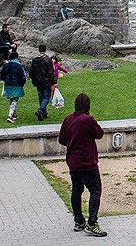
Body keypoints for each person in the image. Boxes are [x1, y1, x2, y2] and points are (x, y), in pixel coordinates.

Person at [59, 93, 107, 237]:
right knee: (95, 190)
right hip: (87, 162)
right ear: (88, 106)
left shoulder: (68, 119)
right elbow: (99, 134)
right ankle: (92, 222)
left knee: (76, 190)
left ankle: (78, 220)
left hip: (73, 162)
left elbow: (62, 139)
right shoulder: (88, 120)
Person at [30, 44, 57, 122]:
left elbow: (31, 71)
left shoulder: (34, 59)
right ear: (45, 50)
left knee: (41, 96)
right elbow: (50, 71)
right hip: (46, 81)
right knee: (47, 97)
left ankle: (44, 113)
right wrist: (54, 81)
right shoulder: (47, 59)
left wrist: (33, 79)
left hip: (38, 81)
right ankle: (41, 110)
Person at [0, 51, 26, 124]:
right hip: (17, 84)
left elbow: (2, 75)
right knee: (15, 99)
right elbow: (22, 76)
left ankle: (14, 114)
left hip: (8, 84)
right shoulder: (18, 65)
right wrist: (22, 83)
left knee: (12, 98)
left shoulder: (6, 65)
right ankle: (10, 115)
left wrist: (5, 81)